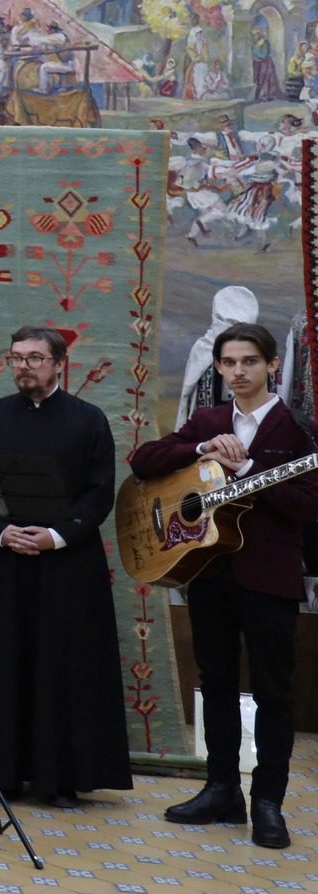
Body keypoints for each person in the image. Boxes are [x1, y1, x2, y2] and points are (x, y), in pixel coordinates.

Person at [132, 323, 318, 848]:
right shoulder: (209, 420)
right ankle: (221, 790)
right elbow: (143, 461)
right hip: (209, 573)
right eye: (229, 362)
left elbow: (309, 505)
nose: (238, 371)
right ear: (217, 367)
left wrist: (248, 468)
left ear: (272, 365)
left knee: (273, 691)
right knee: (214, 682)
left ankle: (268, 803)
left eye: (249, 361)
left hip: (270, 578)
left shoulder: (297, 430)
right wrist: (201, 449)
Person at [0, 326, 131, 808]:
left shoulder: (88, 420)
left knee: (59, 668)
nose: (23, 366)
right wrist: (1, 532)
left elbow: (99, 494)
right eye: (16, 358)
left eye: (34, 358)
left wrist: (55, 536)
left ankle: (57, 779)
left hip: (65, 566)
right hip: (0, 562)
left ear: (59, 363)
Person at [179, 285, 263, 423]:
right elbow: (188, 394)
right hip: (208, 425)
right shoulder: (202, 349)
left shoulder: (262, 350)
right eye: (227, 322)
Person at [253, 27, 283, 102]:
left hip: (265, 64)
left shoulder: (265, 43)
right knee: (258, 80)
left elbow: (264, 55)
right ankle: (258, 96)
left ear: (259, 34)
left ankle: (267, 95)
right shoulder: (255, 44)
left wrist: (257, 55)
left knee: (266, 79)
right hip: (257, 64)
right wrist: (256, 56)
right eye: (254, 35)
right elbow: (254, 54)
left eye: (256, 34)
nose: (255, 37)